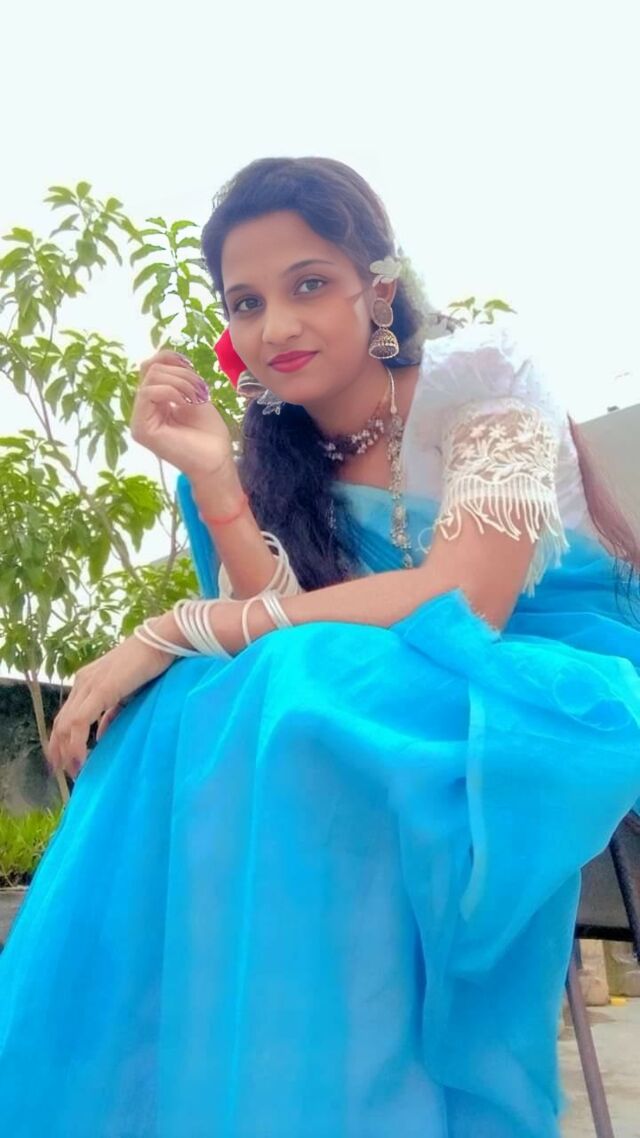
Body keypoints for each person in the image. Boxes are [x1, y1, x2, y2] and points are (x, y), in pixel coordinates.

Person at [1, 156, 639, 1138]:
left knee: (247, 675)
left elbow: (465, 600)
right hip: (368, 707)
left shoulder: (483, 384)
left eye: (309, 284)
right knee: (203, 700)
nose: (276, 327)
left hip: (544, 692)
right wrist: (216, 478)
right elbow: (293, 626)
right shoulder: (273, 457)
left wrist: (171, 627)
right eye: (247, 302)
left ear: (377, 290)